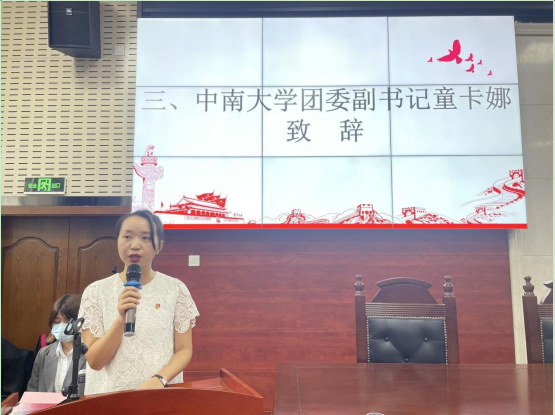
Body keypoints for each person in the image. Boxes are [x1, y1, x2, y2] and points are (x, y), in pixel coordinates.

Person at [78, 210, 199, 394]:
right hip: (110, 398)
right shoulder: (95, 292)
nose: (135, 245)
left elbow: (184, 350)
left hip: (159, 394)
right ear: (117, 241)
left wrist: (160, 379)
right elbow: (95, 361)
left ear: (159, 246)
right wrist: (121, 319)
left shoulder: (175, 289)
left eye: (145, 238)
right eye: (127, 236)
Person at [27, 294, 85, 393]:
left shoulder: (91, 353)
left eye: (67, 321)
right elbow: (32, 390)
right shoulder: (43, 353)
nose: (62, 325)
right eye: (57, 322)